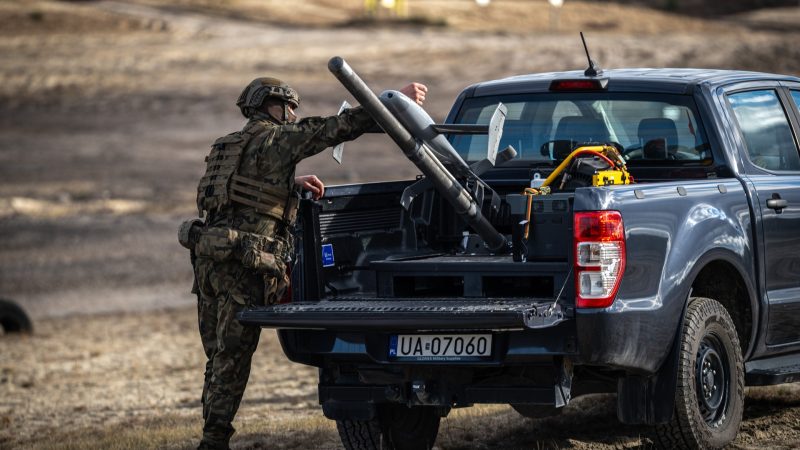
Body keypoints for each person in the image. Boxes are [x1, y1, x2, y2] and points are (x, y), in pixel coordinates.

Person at [190, 76, 427, 449]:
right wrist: (393, 102)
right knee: (231, 360)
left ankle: (212, 432)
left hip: (209, 263)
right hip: (244, 266)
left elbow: (233, 196)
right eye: (290, 106)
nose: (294, 113)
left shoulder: (227, 145)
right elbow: (336, 128)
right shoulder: (276, 140)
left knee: (217, 357)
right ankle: (213, 441)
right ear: (273, 105)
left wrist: (289, 185)